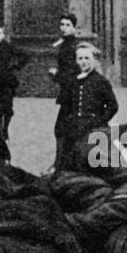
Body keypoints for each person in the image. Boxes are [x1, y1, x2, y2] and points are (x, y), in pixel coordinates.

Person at [53, 42, 117, 171]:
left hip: (93, 127)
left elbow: (113, 105)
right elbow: (66, 106)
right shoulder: (73, 81)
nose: (83, 62)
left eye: (87, 58)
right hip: (74, 127)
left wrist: (99, 120)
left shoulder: (101, 82)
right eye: (80, 59)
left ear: (93, 60)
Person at [48, 13, 82, 167]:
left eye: (68, 25)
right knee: (65, 129)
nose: (64, 28)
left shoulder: (73, 46)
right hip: (68, 92)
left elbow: (72, 71)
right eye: (62, 24)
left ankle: (60, 165)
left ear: (74, 28)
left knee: (61, 129)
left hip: (72, 92)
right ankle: (63, 163)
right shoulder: (65, 43)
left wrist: (57, 75)